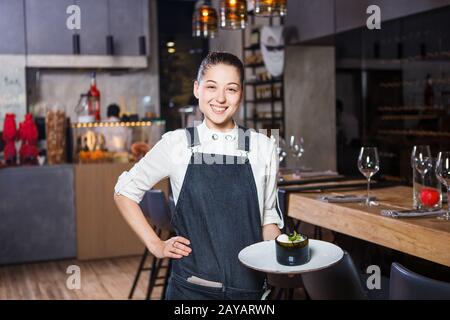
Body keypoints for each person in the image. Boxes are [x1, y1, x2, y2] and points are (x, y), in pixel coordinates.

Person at [113, 52, 284, 300]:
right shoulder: (177, 144)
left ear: (242, 94)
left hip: (248, 290)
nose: (221, 98)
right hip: (191, 290)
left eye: (231, 89)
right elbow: (124, 192)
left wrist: (286, 255)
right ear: (197, 89)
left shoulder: (263, 147)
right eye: (211, 87)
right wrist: (156, 245)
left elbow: (267, 221)